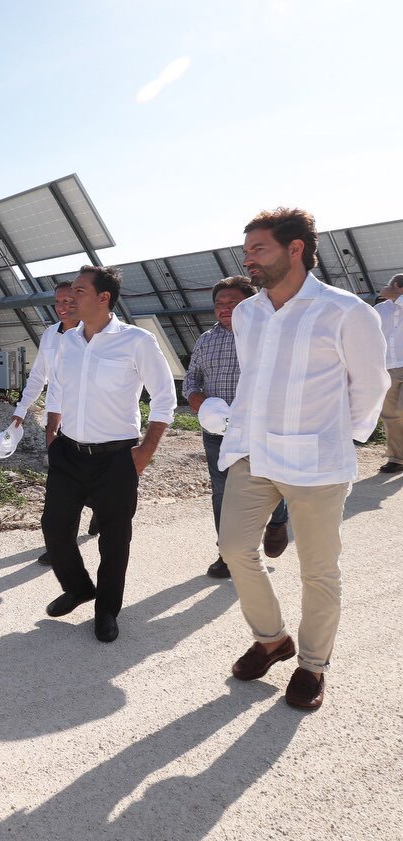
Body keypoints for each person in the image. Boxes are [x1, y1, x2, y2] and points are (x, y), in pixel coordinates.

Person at [219, 208, 388, 711]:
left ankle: (312, 665)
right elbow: (256, 378)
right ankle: (272, 639)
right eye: (246, 251)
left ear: (295, 250)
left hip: (316, 462)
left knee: (318, 570)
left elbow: (371, 385)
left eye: (259, 249)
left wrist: (335, 437)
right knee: (234, 549)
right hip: (253, 452)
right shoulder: (247, 313)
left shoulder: (345, 311)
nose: (248, 260)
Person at [41, 265, 176, 642]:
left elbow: (165, 398)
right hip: (68, 452)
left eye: (79, 291)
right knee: (54, 527)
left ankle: (107, 610)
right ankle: (79, 588)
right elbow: (58, 389)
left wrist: (145, 450)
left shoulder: (137, 341)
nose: (69, 298)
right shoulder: (66, 341)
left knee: (114, 540)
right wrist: (52, 432)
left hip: (116, 458)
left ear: (103, 298)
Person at [184, 276, 289, 579]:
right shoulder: (206, 340)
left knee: (271, 480)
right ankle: (227, 554)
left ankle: (278, 520)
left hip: (261, 427)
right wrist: (195, 398)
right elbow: (192, 378)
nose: (225, 308)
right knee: (222, 491)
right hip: (218, 431)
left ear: (251, 303)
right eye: (219, 303)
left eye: (233, 302)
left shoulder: (269, 334)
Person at [11, 282, 95, 565]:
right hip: (55, 420)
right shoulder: (50, 334)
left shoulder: (95, 333)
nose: (62, 306)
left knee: (86, 476)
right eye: (58, 301)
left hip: (89, 418)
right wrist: (22, 409)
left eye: (69, 300)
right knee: (61, 482)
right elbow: (39, 376)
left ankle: (98, 505)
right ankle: (62, 545)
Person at [374, 273, 403, 473]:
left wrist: (398, 298)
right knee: (391, 415)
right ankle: (397, 459)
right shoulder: (379, 310)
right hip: (387, 367)